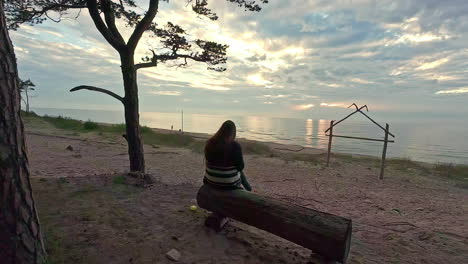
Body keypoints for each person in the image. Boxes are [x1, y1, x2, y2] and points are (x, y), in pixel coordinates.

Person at [203, 120, 252, 191]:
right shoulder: (235, 146)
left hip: (210, 180)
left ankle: (249, 189)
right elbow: (240, 167)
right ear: (233, 133)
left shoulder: (210, 143)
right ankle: (249, 189)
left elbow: (208, 160)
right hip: (229, 185)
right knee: (240, 172)